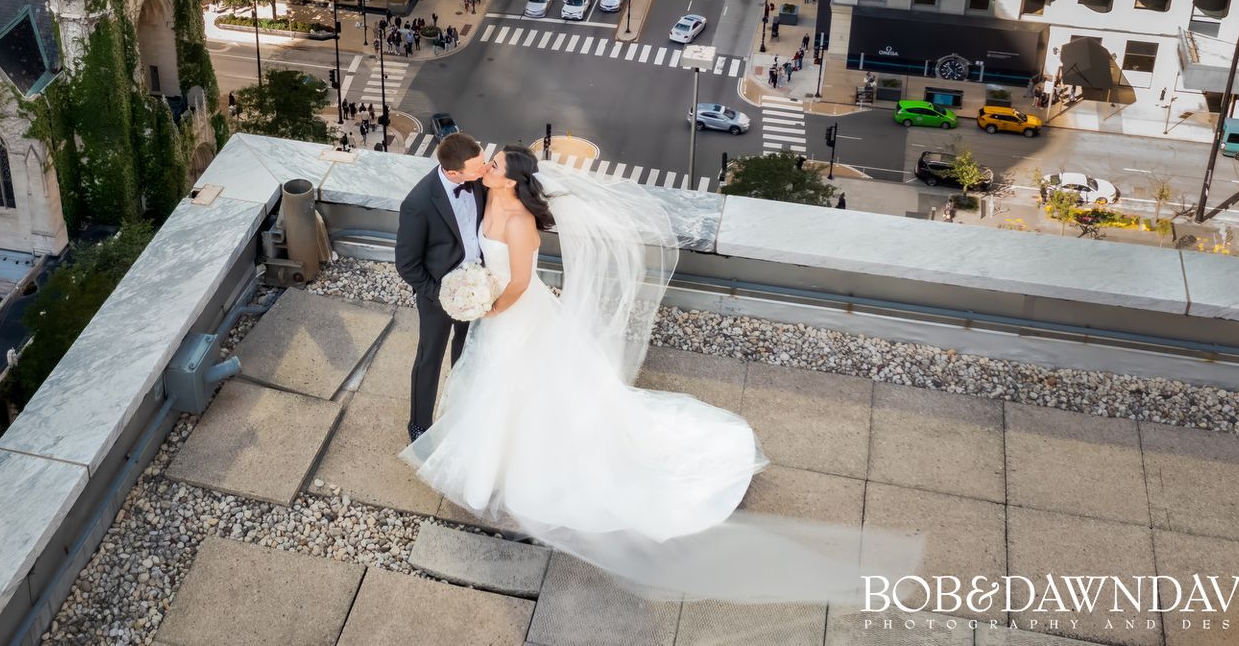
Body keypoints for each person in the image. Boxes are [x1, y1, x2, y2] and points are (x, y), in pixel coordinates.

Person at [402, 149, 922, 603]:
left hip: (514, 309)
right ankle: (491, 455)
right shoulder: (485, 192)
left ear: (511, 179)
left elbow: (519, 281)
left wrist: (488, 308)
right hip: (493, 308)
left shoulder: (518, 222)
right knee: (494, 379)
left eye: (494, 164)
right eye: (487, 163)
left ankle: (519, 461)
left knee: (526, 383)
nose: (486, 166)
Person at [395, 133, 491, 441]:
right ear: (453, 173)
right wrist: (443, 296)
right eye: (478, 167)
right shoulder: (418, 203)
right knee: (429, 358)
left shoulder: (478, 181)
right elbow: (407, 264)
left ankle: (459, 412)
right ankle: (419, 424)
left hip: (480, 286)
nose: (485, 169)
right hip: (439, 295)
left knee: (467, 352)